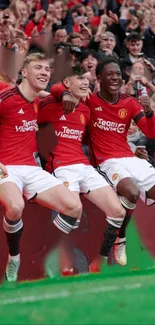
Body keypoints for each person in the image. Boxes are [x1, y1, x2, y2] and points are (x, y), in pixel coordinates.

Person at [50, 56, 155, 270]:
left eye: (118, 73)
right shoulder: (90, 100)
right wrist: (66, 93)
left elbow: (150, 131)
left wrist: (149, 112)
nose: (115, 77)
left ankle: (120, 240)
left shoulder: (129, 102)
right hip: (107, 162)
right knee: (132, 192)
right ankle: (121, 239)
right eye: (110, 74)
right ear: (98, 78)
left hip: (129, 157)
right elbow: (56, 87)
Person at [0, 52, 83, 283]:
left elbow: (57, 92)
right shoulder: (5, 98)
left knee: (74, 208)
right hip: (6, 167)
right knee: (15, 207)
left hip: (32, 168)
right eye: (38, 68)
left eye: (47, 69)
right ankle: (14, 256)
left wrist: (65, 91)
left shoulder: (38, 100)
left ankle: (41, 251)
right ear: (24, 73)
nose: (44, 72)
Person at [37, 72, 126, 274]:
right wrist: (60, 93)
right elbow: (45, 92)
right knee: (71, 214)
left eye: (87, 81)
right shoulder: (50, 105)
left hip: (84, 167)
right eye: (80, 79)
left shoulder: (86, 110)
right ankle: (47, 255)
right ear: (66, 82)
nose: (86, 83)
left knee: (118, 212)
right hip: (61, 166)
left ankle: (100, 261)